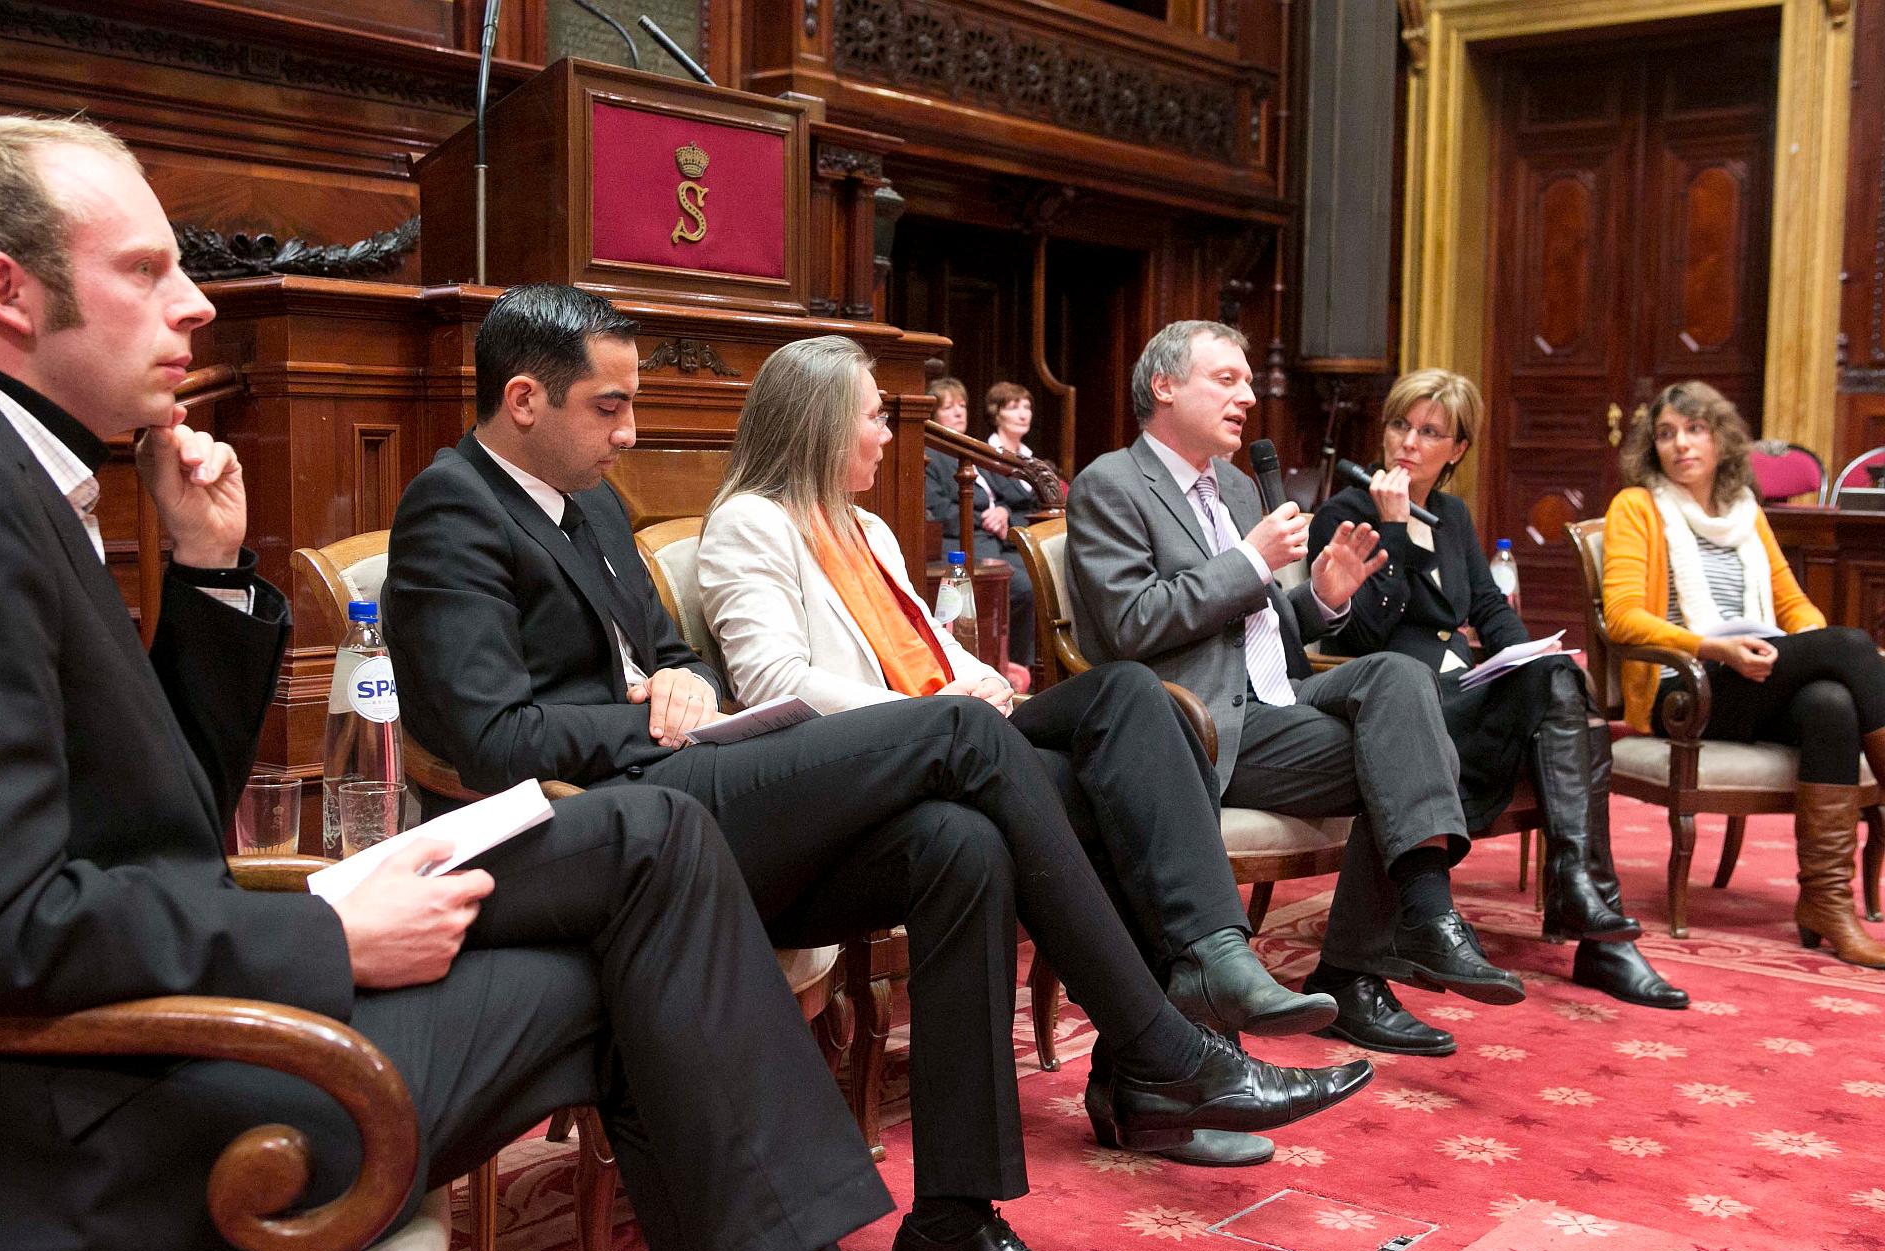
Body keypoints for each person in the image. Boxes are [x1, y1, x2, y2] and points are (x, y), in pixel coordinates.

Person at [0, 116, 891, 1251]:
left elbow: (147, 826)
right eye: (145, 270)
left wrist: (207, 574)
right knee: (644, 910)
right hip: (71, 1136)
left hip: (129, 1046)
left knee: (648, 863)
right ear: (6, 291)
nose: (196, 304)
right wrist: (325, 927)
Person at [382, 285, 1372, 1251]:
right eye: (609, 407)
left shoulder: (586, 502)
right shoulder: (453, 506)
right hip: (610, 823)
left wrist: (677, 685)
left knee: (958, 845)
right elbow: (492, 738)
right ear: (525, 399)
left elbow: (669, 655)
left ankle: (954, 1224)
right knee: (962, 733)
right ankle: (1162, 1044)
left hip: (682, 776)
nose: (629, 432)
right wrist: (649, 717)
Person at [701, 335, 1350, 1171]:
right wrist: (932, 711)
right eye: (874, 416)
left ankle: (1210, 963)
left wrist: (984, 685)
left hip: (950, 730)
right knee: (1106, 790)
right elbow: (773, 682)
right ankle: (1167, 1046)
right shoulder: (750, 523)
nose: (889, 435)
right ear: (821, 425)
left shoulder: (863, 526)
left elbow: (932, 642)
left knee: (1128, 697)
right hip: (868, 766)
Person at [1065, 320, 1527, 1062]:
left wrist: (1321, 600)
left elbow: (1265, 621)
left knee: (1403, 682)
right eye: (1227, 379)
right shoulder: (1112, 483)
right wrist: (1250, 561)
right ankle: (1376, 957)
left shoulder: (1240, 488)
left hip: (1281, 698)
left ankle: (1415, 918)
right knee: (1408, 748)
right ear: (1164, 385)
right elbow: (1131, 622)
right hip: (1202, 723)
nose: (1247, 395)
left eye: (1247, 381)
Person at [1308, 369, 1686, 1019]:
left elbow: (1487, 606)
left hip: (1463, 687)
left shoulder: (1452, 516)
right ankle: (1590, 913)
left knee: (1561, 676)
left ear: (1456, 450)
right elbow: (1364, 631)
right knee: (1562, 695)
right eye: (1401, 424)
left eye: (1430, 432)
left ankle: (1582, 893)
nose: (1409, 442)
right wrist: (1392, 529)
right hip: (1400, 712)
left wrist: (1530, 655)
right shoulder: (1346, 513)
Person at [1603, 379, 1885, 968]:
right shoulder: (1637, 506)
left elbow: (1793, 603)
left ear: (1722, 440)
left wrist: (1804, 641)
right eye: (1666, 434)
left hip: (1754, 672)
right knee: (1855, 647)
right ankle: (1830, 904)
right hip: (1683, 687)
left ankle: (1827, 904)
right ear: (1652, 447)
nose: (1681, 444)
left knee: (1831, 700)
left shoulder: (1744, 512)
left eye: (1695, 429)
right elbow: (1624, 618)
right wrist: (1712, 648)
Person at [924, 376, 1037, 683]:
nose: (959, 412)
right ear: (933, 414)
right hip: (961, 540)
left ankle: (1023, 664)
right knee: (1023, 585)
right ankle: (1014, 665)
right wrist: (985, 517)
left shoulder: (970, 450)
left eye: (962, 405)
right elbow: (940, 511)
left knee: (1040, 575)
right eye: (949, 407)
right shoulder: (931, 455)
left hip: (991, 537)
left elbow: (1002, 497)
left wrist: (1001, 512)